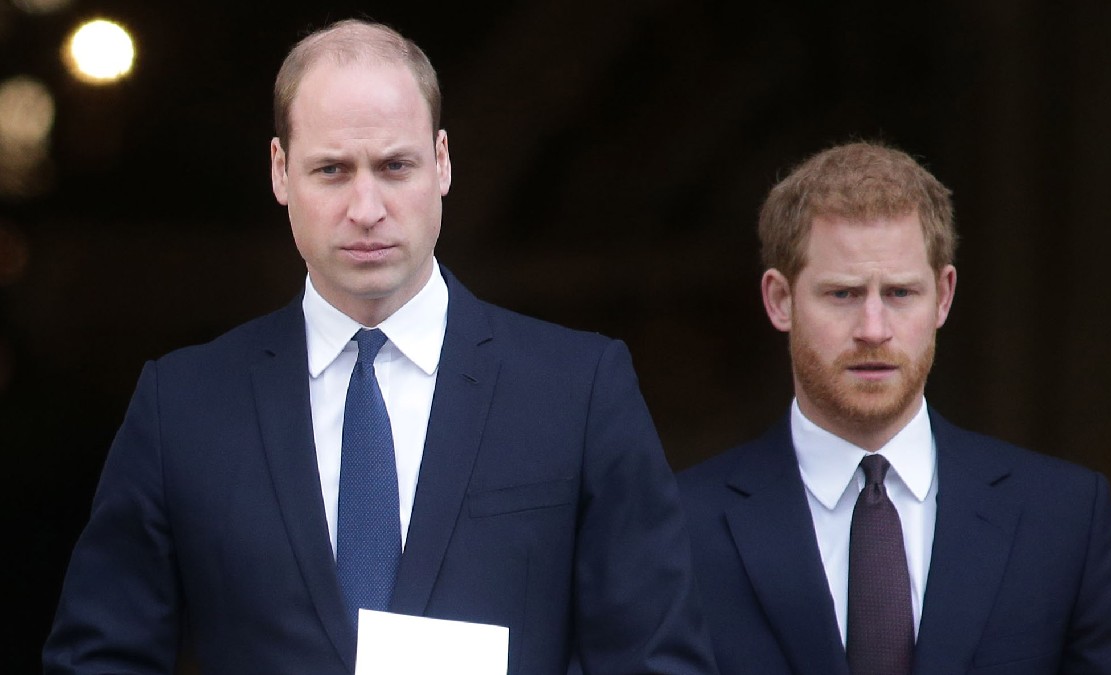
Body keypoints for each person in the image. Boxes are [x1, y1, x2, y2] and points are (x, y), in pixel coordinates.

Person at [43, 19, 715, 675]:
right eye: (332, 170)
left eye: (394, 166)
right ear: (281, 172)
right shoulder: (182, 405)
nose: (366, 207)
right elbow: (99, 657)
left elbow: (654, 658)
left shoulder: (578, 388)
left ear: (442, 162)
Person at [677, 141, 1111, 675]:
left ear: (944, 296)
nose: (874, 330)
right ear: (780, 300)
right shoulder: (677, 526)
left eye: (902, 293)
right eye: (842, 294)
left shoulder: (1062, 519)